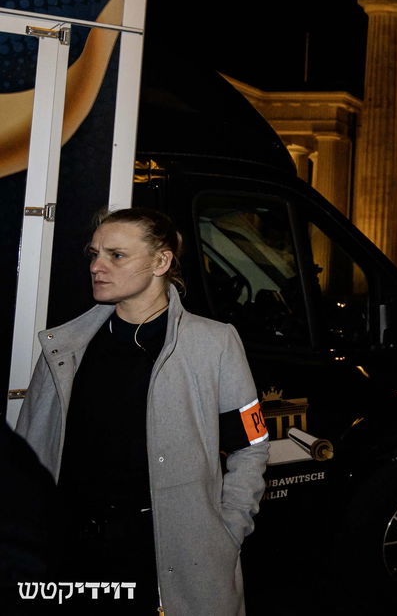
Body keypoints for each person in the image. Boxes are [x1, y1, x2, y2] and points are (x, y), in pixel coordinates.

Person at [16, 208, 269, 615]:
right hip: (74, 552)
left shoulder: (214, 344)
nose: (96, 266)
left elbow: (252, 445)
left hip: (164, 552)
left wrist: (227, 530)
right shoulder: (65, 347)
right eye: (94, 253)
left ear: (160, 262)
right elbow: (29, 452)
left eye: (116, 255)